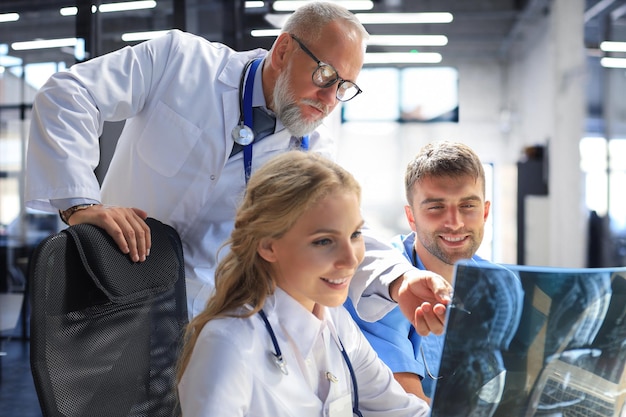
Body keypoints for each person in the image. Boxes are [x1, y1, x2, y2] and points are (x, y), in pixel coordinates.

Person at [24, 2, 451, 327]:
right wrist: (80, 203)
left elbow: (336, 228)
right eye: (324, 75)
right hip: (112, 286)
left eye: (344, 88)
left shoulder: (311, 142)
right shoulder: (181, 61)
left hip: (210, 316)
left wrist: (399, 279)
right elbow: (69, 94)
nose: (329, 99)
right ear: (283, 50)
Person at [176, 150, 430, 416]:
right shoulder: (226, 346)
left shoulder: (337, 324)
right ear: (268, 246)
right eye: (323, 241)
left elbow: (404, 412)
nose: (350, 260)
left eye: (355, 234)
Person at [345, 140, 494, 402]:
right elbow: (406, 403)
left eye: (468, 206)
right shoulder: (383, 286)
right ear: (411, 217)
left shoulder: (498, 283)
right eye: (436, 207)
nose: (455, 223)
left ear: (485, 212)